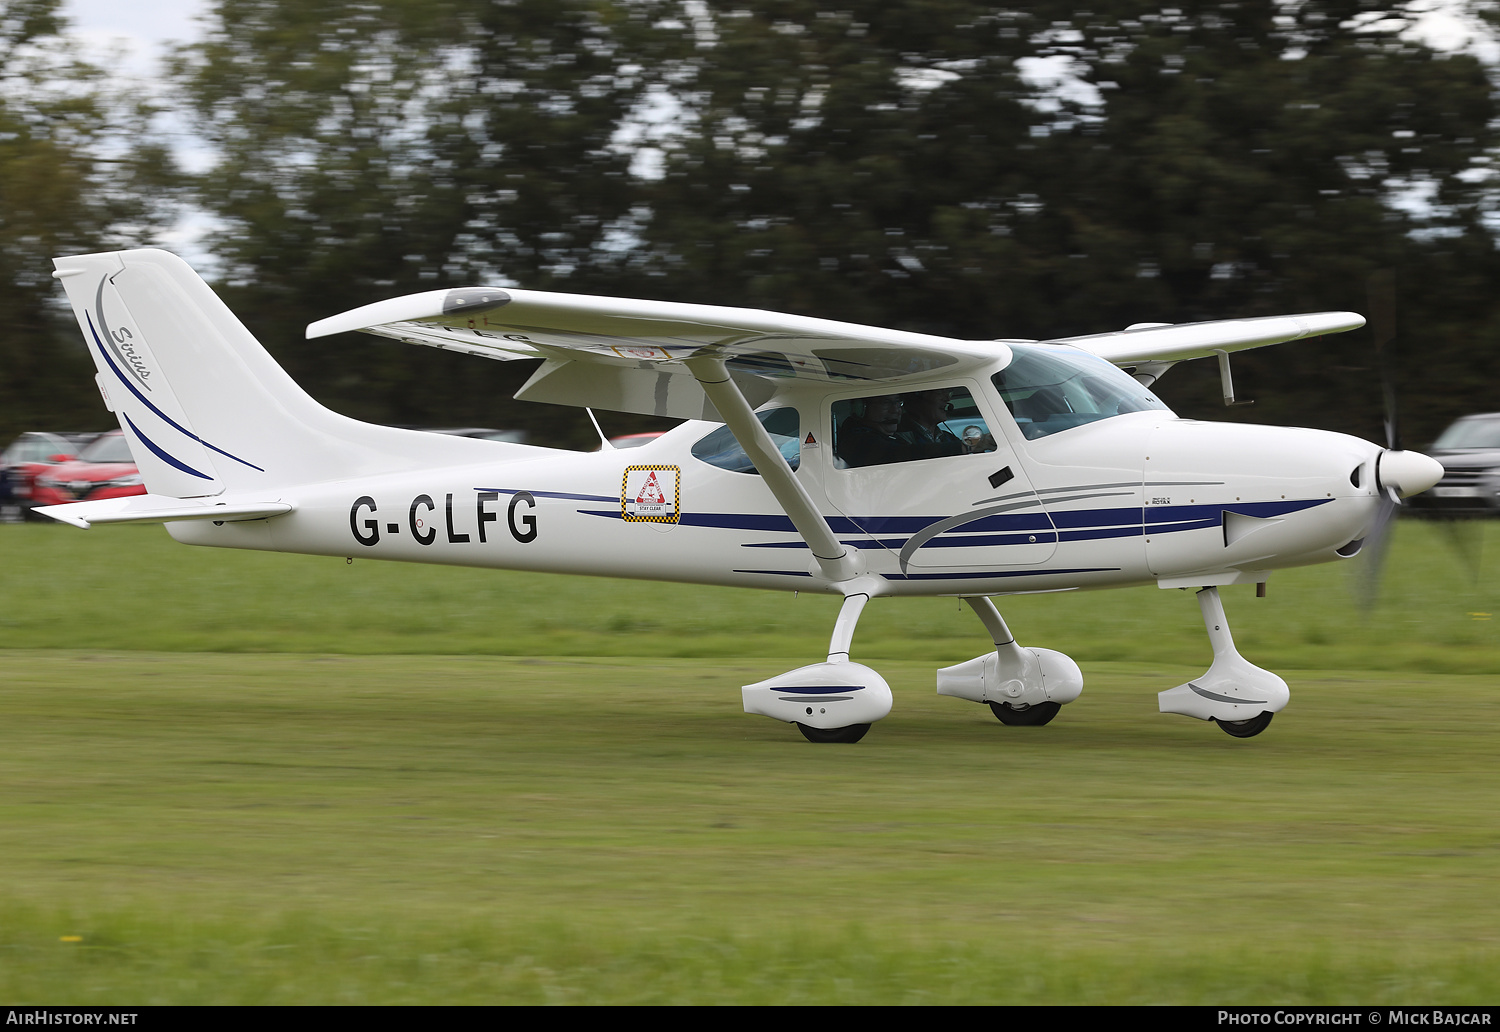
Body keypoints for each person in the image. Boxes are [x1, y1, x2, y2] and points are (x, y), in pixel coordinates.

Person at [836, 395, 907, 468]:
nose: (895, 410)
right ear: (860, 408)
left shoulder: (894, 436)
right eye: (885, 403)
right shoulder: (859, 441)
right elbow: (897, 453)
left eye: (897, 402)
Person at [897, 389, 965, 459]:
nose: (947, 399)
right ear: (916, 399)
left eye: (948, 393)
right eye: (940, 392)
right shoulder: (899, 438)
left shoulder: (949, 437)